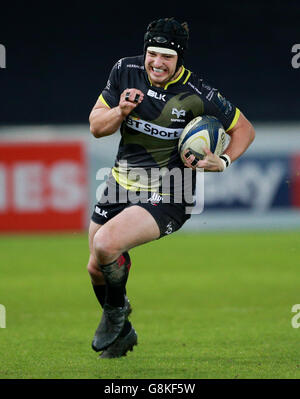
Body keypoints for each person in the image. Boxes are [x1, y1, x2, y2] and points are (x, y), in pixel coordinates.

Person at [87, 17, 255, 359]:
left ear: (179, 59)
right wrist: (121, 111)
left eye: (167, 56)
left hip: (169, 193)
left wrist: (222, 162)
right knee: (95, 266)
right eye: (152, 53)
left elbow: (245, 130)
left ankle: (116, 316)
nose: (157, 62)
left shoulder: (198, 94)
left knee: (105, 245)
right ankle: (123, 333)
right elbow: (96, 127)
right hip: (119, 182)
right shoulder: (125, 70)